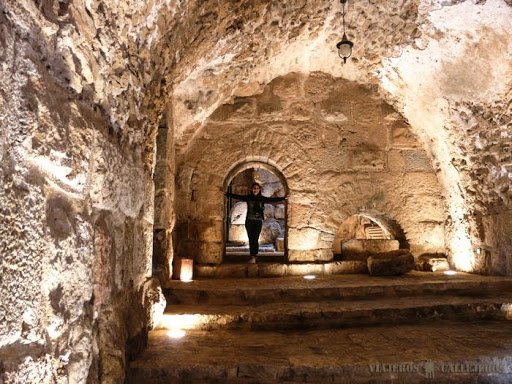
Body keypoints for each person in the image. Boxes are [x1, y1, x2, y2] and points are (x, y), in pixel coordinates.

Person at [226, 183, 286, 263]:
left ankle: (255, 255)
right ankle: (252, 256)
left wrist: (284, 198)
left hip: (258, 221)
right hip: (249, 221)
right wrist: (226, 193)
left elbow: (272, 200)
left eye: (257, 188)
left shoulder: (262, 198)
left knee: (256, 238)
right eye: (254, 188)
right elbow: (238, 197)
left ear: (259, 189)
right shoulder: (248, 198)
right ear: (252, 189)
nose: (255, 190)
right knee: (251, 239)